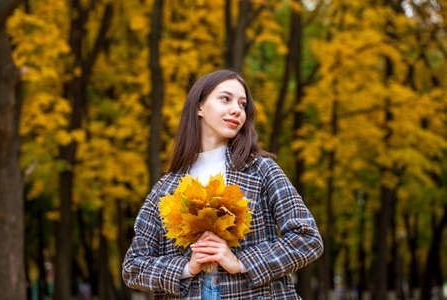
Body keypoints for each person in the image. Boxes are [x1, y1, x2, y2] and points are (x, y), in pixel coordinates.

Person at [122, 70, 323, 299]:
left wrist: (241, 262)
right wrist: (187, 267)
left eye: (243, 104)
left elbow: (308, 238)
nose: (237, 109)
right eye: (225, 99)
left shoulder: (261, 170)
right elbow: (133, 267)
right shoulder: (165, 188)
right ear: (199, 107)